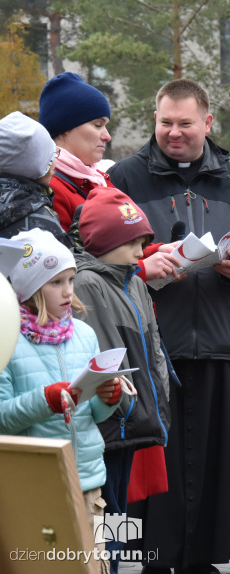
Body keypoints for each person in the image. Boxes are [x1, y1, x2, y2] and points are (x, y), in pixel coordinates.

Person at [109, 79, 230, 574]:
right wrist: (145, 261)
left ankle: (203, 558)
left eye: (185, 123)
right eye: (165, 122)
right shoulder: (125, 176)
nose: (174, 132)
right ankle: (144, 559)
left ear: (207, 123)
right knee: (145, 460)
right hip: (148, 346)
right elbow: (99, 256)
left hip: (221, 343)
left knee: (213, 463)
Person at [0, 228, 123, 574]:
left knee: (93, 566)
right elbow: (2, 417)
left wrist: (108, 398)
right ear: (30, 288)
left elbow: (92, 413)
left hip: (87, 481)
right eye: (56, 282)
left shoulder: (84, 334)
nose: (69, 290)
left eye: (71, 280)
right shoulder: (8, 339)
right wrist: (46, 400)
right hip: (34, 483)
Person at [74, 188, 171, 572]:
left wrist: (158, 396)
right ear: (105, 242)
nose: (140, 250)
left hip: (134, 414)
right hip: (108, 420)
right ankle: (106, 565)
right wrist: (124, 405)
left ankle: (112, 565)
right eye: (133, 242)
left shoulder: (133, 282)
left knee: (119, 508)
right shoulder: (88, 285)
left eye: (143, 242)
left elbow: (155, 349)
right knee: (106, 506)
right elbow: (94, 356)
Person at [37, 72, 114, 231]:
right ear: (65, 128)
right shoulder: (51, 190)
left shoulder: (98, 178)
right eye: (98, 125)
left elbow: (129, 241)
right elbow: (71, 255)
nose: (107, 136)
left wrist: (161, 250)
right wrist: (143, 257)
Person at [0, 112, 67, 243]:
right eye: (53, 155)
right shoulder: (41, 223)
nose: (55, 164)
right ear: (41, 167)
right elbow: (65, 260)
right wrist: (78, 238)